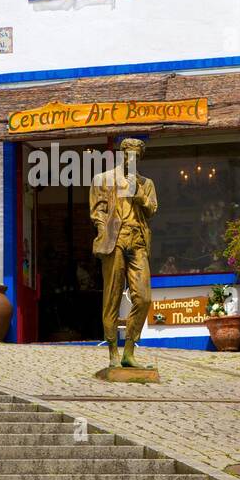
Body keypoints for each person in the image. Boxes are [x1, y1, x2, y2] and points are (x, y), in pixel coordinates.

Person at [89, 137, 158, 369]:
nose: (132, 159)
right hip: (115, 239)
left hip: (138, 239)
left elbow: (152, 209)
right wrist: (103, 230)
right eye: (129, 155)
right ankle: (112, 352)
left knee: (144, 297)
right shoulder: (104, 179)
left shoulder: (146, 183)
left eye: (137, 156)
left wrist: (138, 194)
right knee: (112, 296)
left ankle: (129, 350)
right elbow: (97, 210)